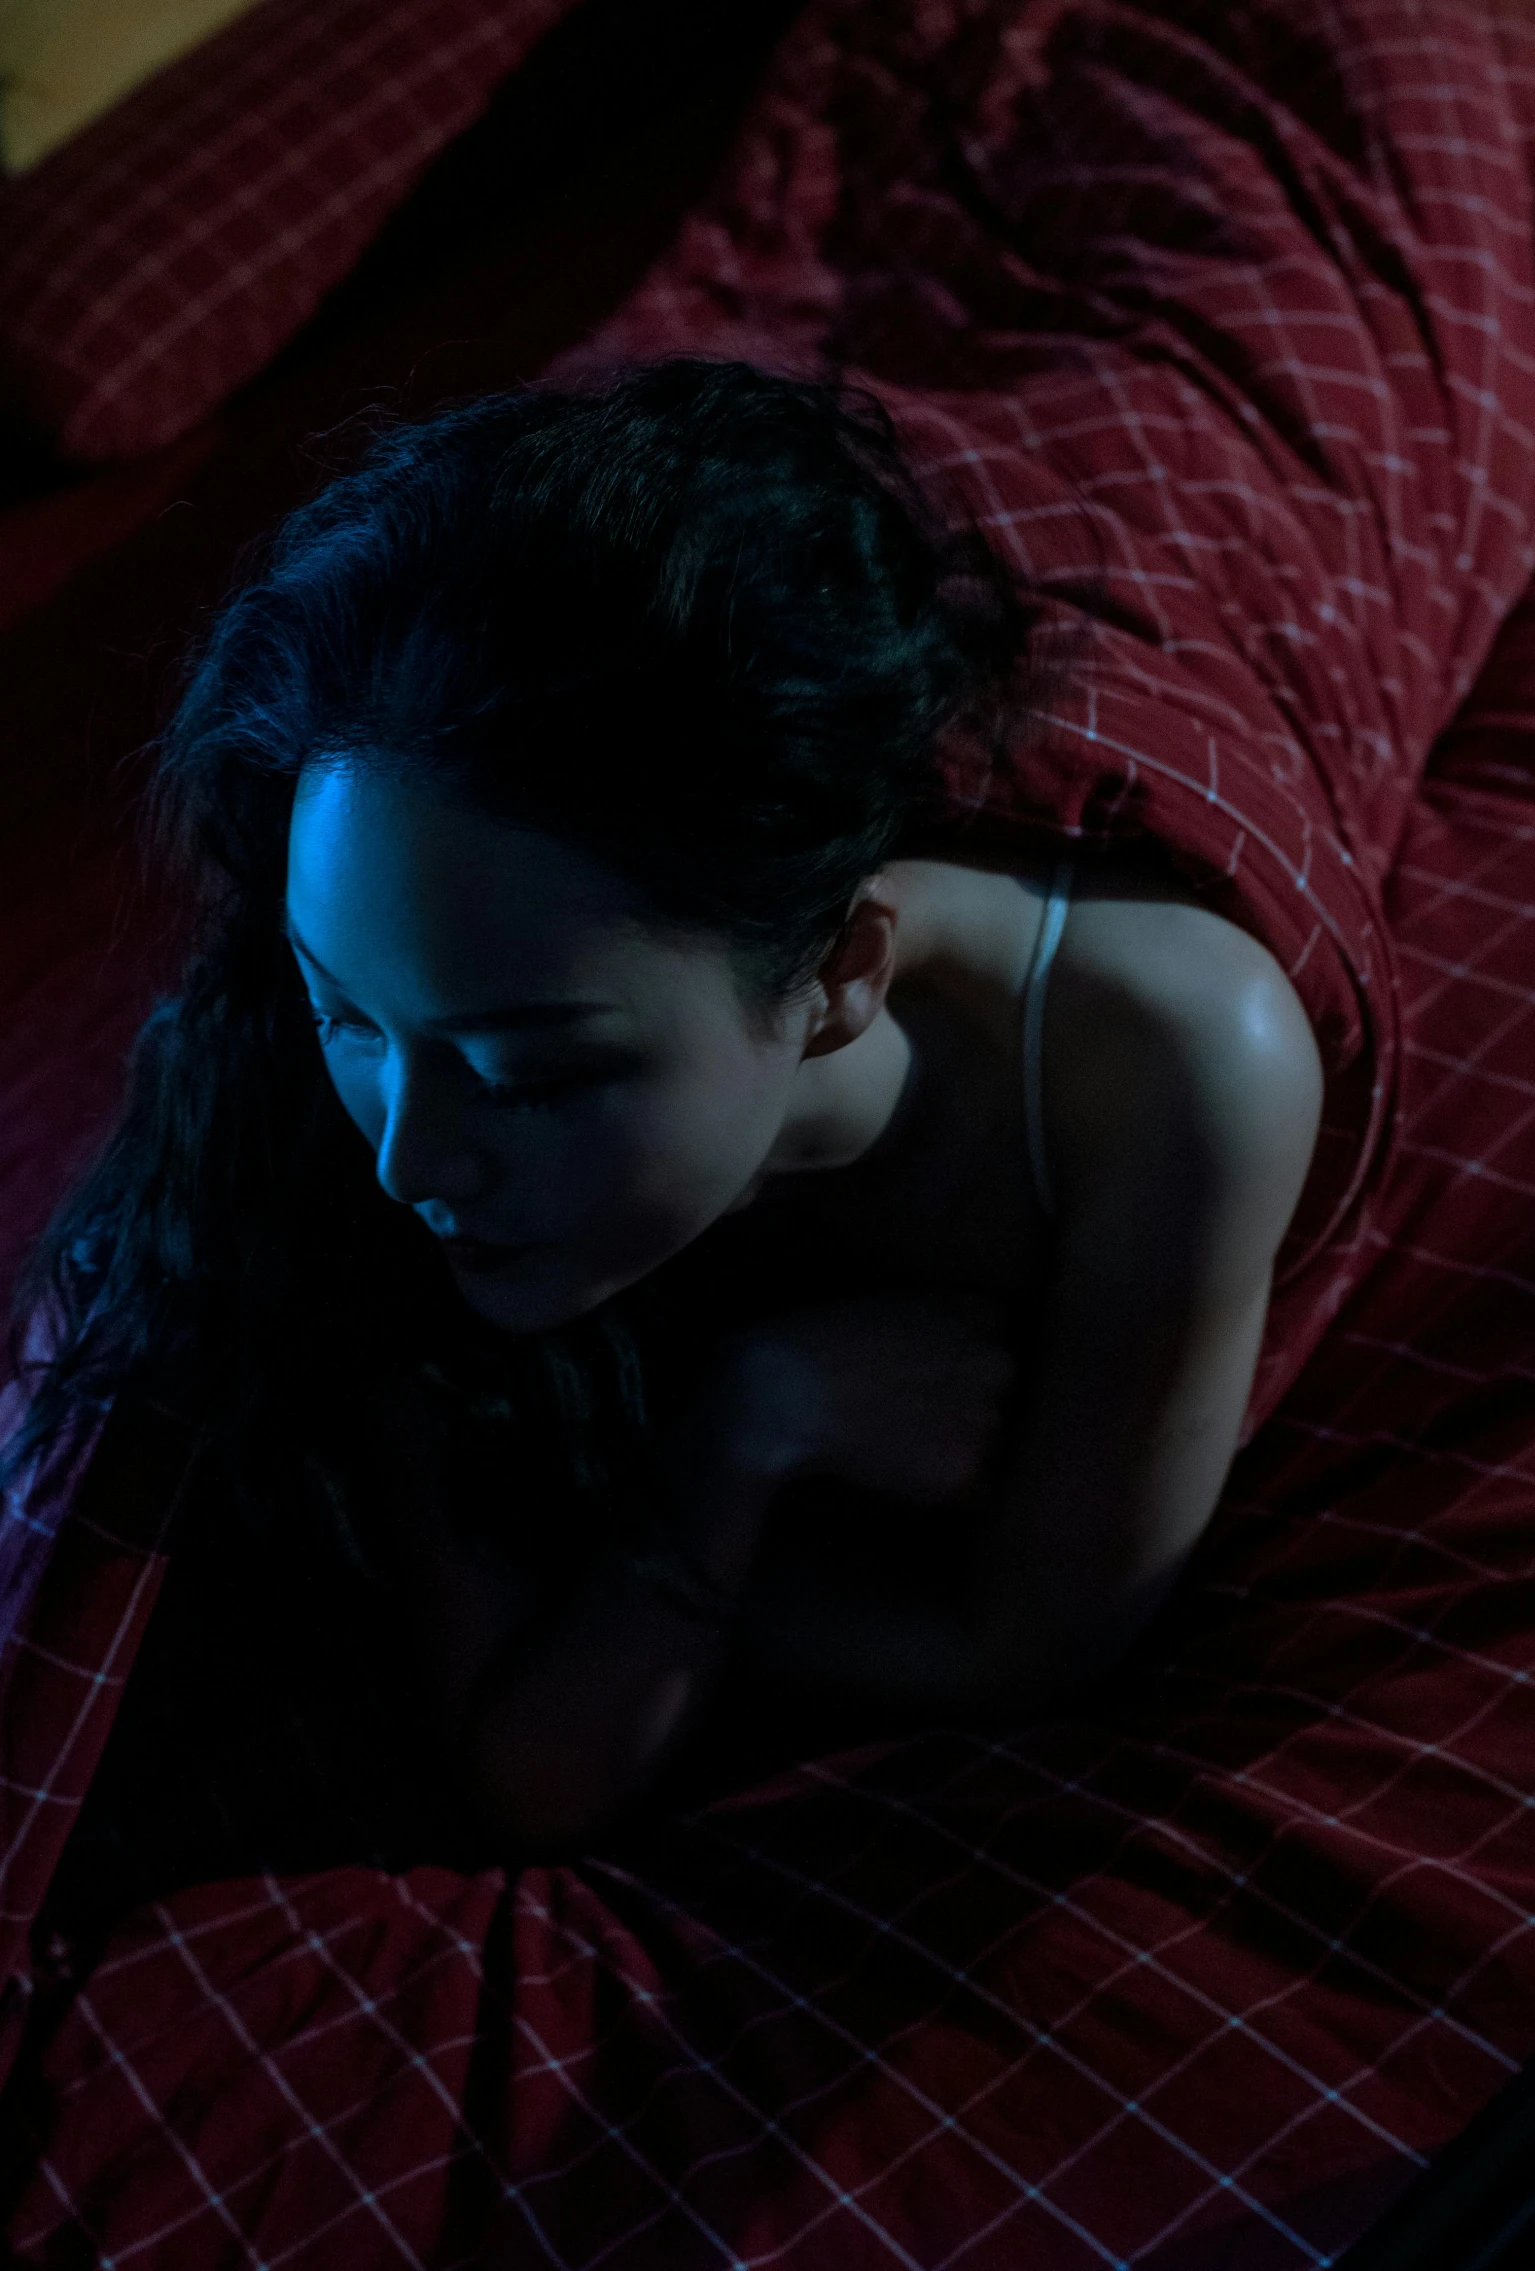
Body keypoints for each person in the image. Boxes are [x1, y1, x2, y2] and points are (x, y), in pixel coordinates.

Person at [1, 357, 1323, 1888]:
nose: (405, 1157)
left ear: (837, 980)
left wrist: (654, 1593)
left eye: (535, 1072)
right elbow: (534, 1767)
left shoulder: (1163, 1061)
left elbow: (1034, 1637)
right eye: (346, 1014)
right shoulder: (376, 1126)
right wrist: (736, 1448)